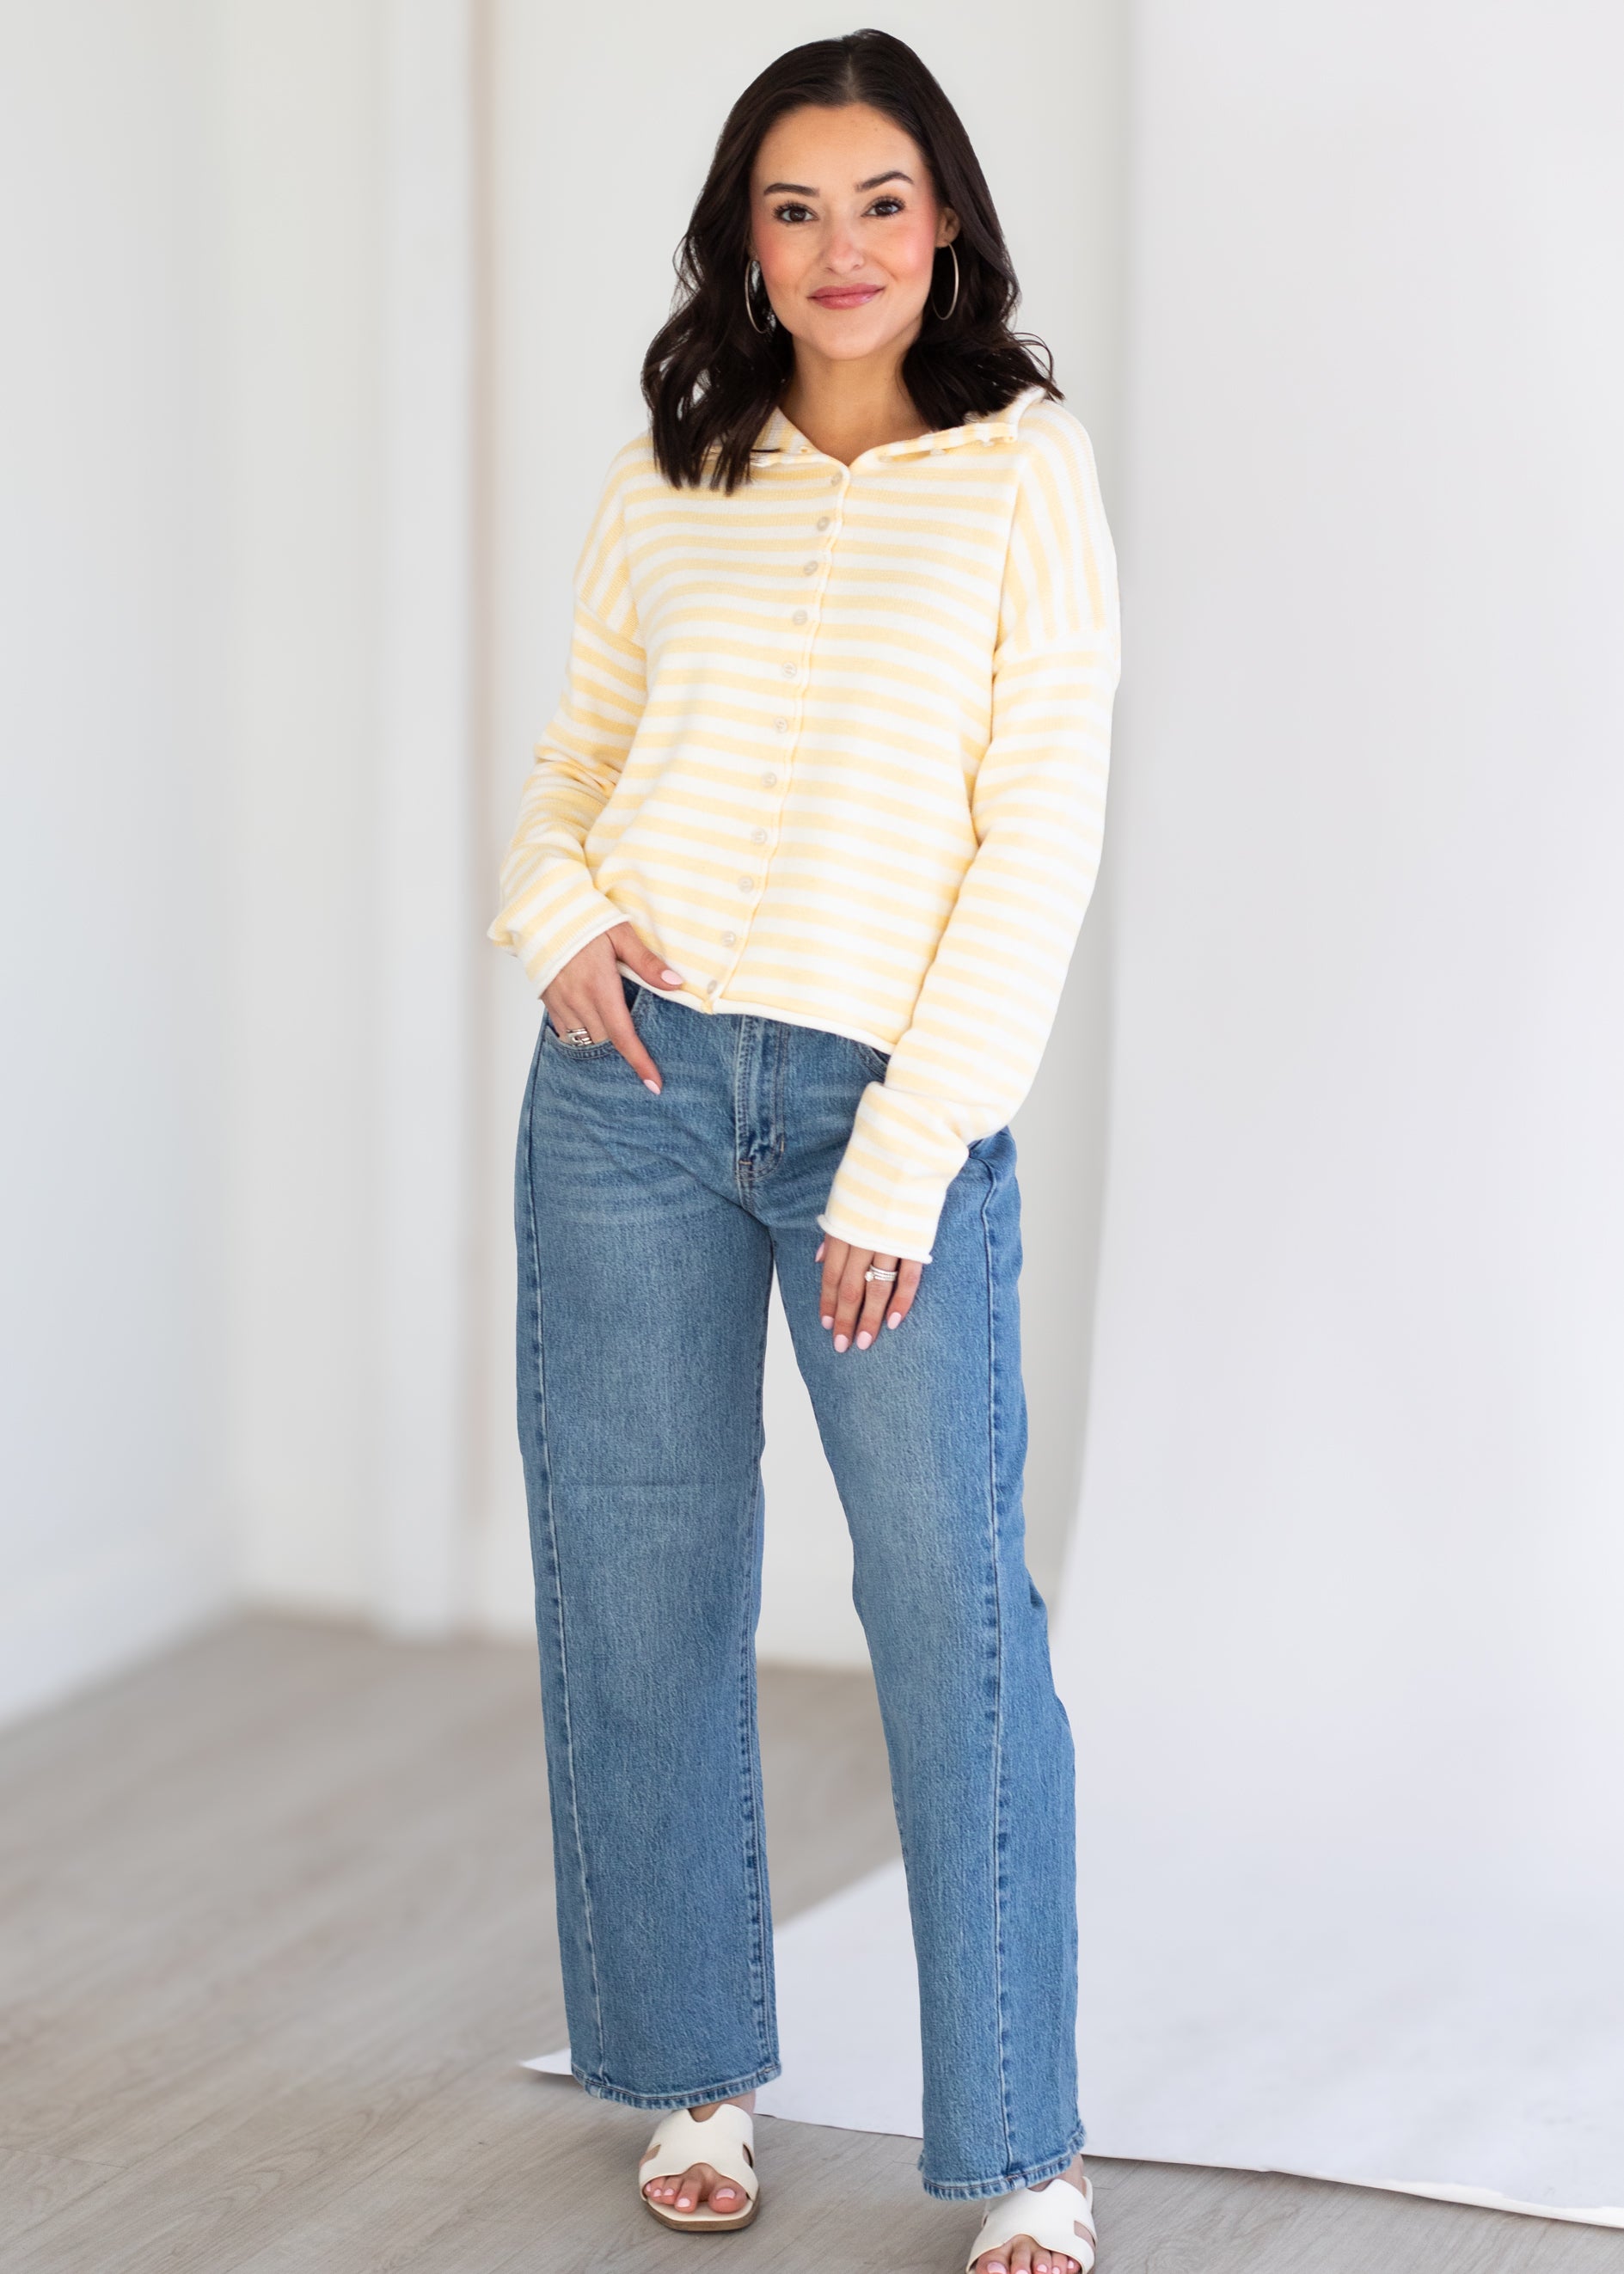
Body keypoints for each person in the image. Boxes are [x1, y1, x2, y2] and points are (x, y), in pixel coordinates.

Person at [487, 30, 1119, 2274]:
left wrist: (904, 1156)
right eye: (791, 207)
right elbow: (569, 759)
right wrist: (555, 918)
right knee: (639, 1590)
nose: (838, 248)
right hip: (628, 1092)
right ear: (739, 245)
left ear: (940, 223)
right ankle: (693, 2070)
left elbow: (1033, 843)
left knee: (949, 1614)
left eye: (877, 201)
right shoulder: (672, 469)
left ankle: (1020, 2149)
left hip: (883, 1107)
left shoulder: (1023, 475)